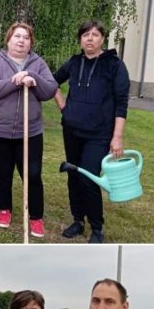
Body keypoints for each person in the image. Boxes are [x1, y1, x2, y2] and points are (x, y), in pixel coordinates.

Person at [52, 20, 130, 244]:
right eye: (85, 35)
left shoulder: (114, 65)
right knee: (74, 176)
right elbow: (52, 82)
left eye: (95, 35)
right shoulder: (74, 62)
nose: (90, 38)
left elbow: (121, 102)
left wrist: (117, 137)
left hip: (99, 134)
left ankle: (97, 228)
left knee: (89, 178)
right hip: (72, 131)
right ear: (80, 39)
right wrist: (64, 107)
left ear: (102, 39)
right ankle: (78, 220)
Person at [0, 23, 59, 236]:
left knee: (32, 174)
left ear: (31, 43)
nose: (21, 40)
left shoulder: (38, 63)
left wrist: (32, 76)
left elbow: (50, 90)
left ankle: (36, 217)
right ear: (8, 40)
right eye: (17, 36)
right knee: (2, 172)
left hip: (30, 132)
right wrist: (14, 82)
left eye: (26, 37)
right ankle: (4, 210)